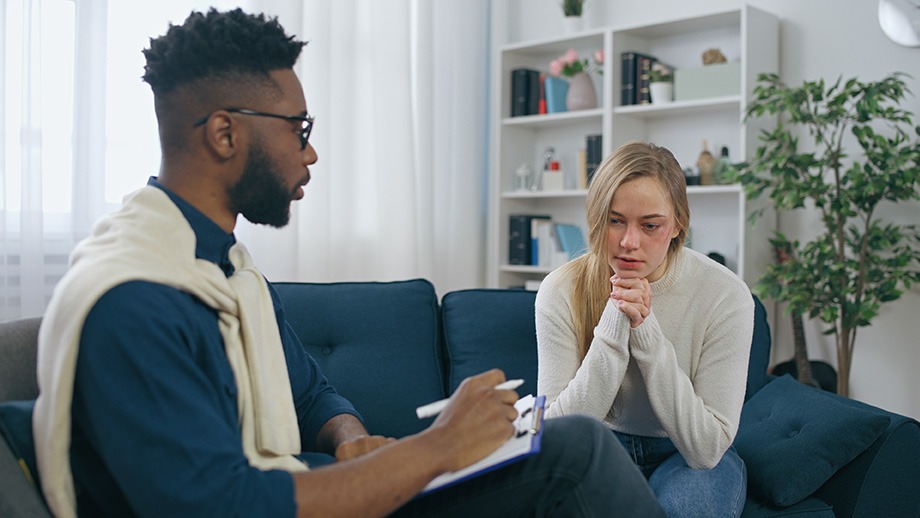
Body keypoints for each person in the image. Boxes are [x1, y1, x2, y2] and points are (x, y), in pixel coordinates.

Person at [32, 9, 665, 518]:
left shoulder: (226, 266)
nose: (311, 154)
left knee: (562, 444)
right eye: (297, 129)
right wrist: (438, 447)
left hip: (309, 484)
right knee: (575, 450)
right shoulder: (137, 299)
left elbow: (311, 392)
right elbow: (222, 504)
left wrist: (348, 437)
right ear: (225, 134)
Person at [536, 141, 754, 517]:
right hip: (599, 447)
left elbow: (705, 449)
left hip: (683, 453)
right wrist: (615, 318)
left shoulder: (726, 295)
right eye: (615, 220)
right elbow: (555, 437)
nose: (628, 243)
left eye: (650, 225)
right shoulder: (560, 290)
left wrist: (646, 331)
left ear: (677, 226)